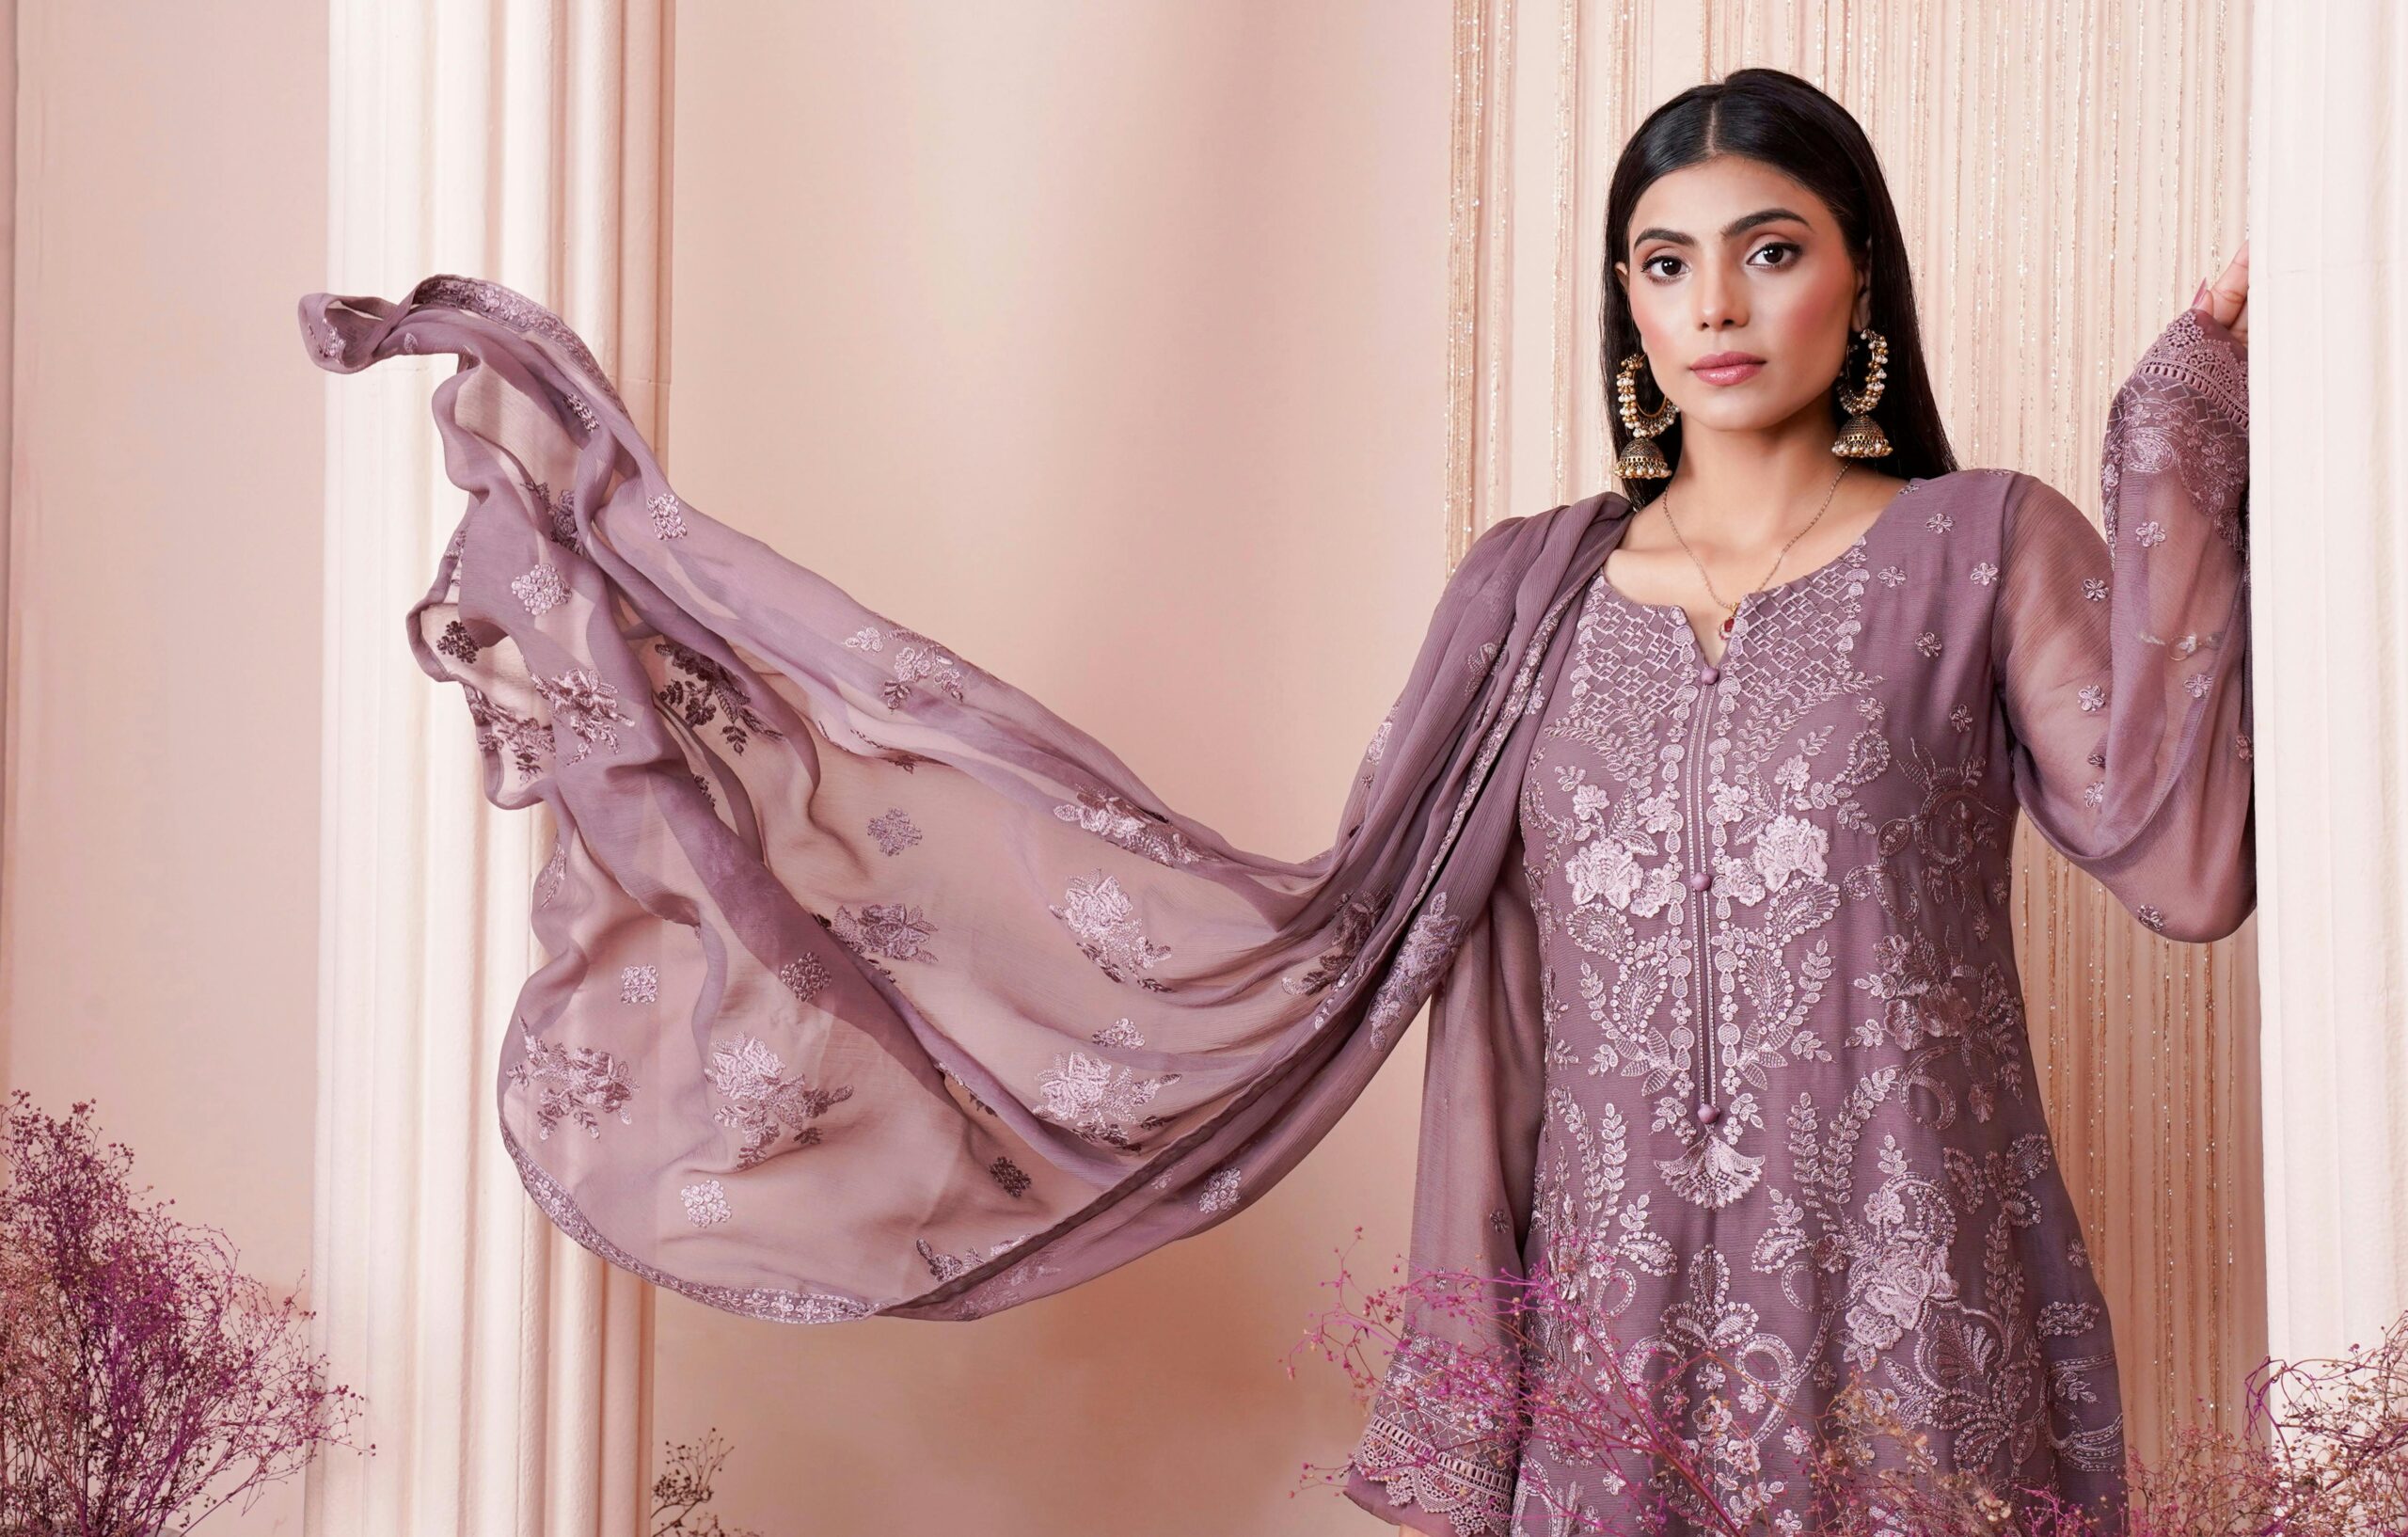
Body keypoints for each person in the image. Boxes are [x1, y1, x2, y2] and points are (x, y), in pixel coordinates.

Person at [296, 64, 2248, 1537]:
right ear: (1626, 309)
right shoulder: (1526, 590)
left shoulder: (1980, 551)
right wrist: (1480, 1395)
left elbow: (2175, 849)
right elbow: (1471, 1015)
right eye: (1662, 260)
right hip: (1622, 1359)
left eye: (1767, 247)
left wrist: (2178, 417)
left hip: (1919, 1322)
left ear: (1855, 283)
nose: (1712, 301)